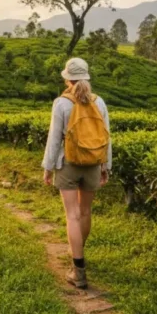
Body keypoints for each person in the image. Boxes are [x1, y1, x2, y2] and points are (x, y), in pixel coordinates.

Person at [41, 57, 111, 289]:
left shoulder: (61, 103)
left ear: (67, 78)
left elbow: (54, 138)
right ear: (86, 77)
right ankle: (78, 254)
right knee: (85, 211)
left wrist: (48, 167)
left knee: (72, 215)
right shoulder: (99, 102)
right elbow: (106, 136)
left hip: (68, 162)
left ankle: (78, 269)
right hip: (92, 162)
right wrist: (105, 166)